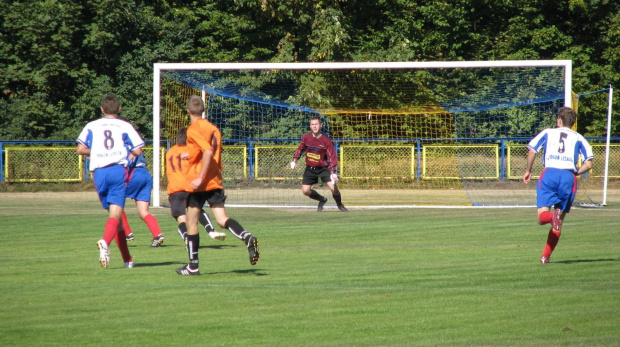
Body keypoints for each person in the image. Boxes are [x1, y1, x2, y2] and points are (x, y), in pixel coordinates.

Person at [176, 95, 259, 275]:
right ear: (203, 110)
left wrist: (199, 177)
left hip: (200, 183)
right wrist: (190, 156)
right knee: (221, 219)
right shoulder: (214, 128)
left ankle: (193, 266)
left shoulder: (192, 129)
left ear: (188, 111)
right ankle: (246, 236)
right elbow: (208, 152)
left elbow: (207, 151)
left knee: (191, 222)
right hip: (215, 180)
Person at [76, 93, 144, 268]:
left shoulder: (91, 125)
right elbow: (138, 150)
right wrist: (126, 154)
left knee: (117, 219)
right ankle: (105, 241)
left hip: (99, 173)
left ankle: (127, 260)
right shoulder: (124, 125)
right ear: (119, 109)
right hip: (116, 170)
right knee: (116, 214)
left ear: (102, 109)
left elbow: (80, 149)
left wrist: (96, 153)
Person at [523, 106, 593, 264]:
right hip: (568, 177)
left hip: (550, 174)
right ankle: (545, 257)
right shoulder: (579, 138)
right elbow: (589, 164)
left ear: (559, 120)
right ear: (573, 123)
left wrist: (528, 170)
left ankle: (550, 217)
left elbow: (532, 150)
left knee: (542, 217)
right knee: (559, 221)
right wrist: (575, 173)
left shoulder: (548, 132)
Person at [165, 127, 227, 242]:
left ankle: (187, 239)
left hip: (174, 189)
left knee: (182, 219)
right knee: (197, 210)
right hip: (189, 187)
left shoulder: (170, 152)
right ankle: (211, 230)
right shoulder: (191, 151)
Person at [290, 117, 348, 212]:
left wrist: (333, 172)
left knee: (333, 188)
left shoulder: (326, 140)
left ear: (320, 125)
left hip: (323, 168)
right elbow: (300, 149)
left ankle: (340, 205)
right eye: (312, 124)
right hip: (310, 168)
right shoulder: (306, 137)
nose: (314, 126)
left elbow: (332, 156)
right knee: (305, 191)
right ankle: (322, 199)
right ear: (310, 126)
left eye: (316, 124)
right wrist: (295, 160)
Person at [121, 152, 166, 247]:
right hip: (145, 175)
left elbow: (128, 159)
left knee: (115, 203)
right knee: (143, 212)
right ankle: (157, 234)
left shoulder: (125, 140)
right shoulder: (135, 140)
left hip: (133, 173)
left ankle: (127, 233)